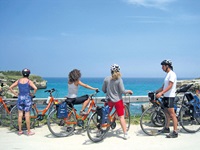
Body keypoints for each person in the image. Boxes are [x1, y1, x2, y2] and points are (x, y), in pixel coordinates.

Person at [102, 64, 133, 140]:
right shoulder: (119, 79)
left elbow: (103, 90)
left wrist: (108, 90)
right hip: (118, 101)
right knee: (121, 117)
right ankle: (125, 134)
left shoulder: (106, 79)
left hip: (109, 100)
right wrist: (128, 91)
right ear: (118, 71)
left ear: (111, 71)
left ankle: (101, 130)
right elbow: (122, 91)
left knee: (105, 114)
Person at [9, 68, 37, 136]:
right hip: (27, 98)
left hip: (20, 98)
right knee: (27, 115)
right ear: (28, 74)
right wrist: (32, 94)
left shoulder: (18, 81)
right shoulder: (29, 81)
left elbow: (10, 87)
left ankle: (20, 131)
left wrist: (15, 94)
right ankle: (29, 131)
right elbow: (35, 88)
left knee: (20, 115)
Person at [156, 60, 178, 138]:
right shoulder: (168, 75)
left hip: (170, 97)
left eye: (163, 66)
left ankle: (175, 132)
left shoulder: (172, 74)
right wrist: (156, 91)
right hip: (166, 96)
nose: (162, 68)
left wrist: (161, 93)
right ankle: (166, 128)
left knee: (172, 114)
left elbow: (170, 86)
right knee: (166, 113)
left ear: (167, 66)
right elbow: (163, 87)